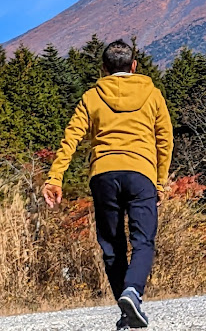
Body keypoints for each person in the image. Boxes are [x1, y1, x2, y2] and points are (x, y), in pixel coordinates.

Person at [42, 39, 174, 330]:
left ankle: (127, 312)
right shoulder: (152, 95)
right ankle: (133, 293)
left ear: (103, 69)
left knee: (112, 246)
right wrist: (160, 182)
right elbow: (165, 140)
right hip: (141, 174)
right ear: (134, 66)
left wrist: (55, 177)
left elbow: (71, 138)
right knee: (143, 241)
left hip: (103, 175)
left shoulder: (92, 96)